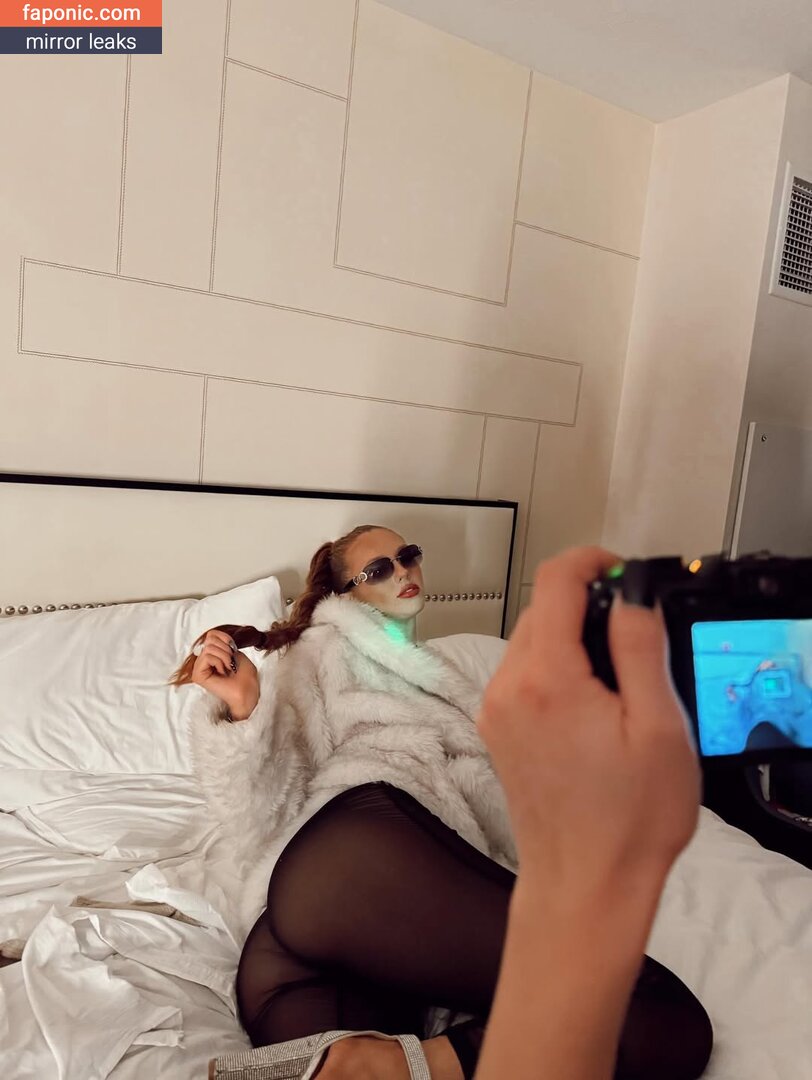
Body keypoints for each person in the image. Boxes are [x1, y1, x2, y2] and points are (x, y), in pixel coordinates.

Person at [171, 529, 712, 1080]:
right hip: (351, 863)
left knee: (651, 1030)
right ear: (345, 594)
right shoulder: (320, 650)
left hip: (298, 973)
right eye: (379, 569)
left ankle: (378, 1062)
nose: (403, 571)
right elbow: (259, 813)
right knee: (650, 1005)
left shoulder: (438, 676)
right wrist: (245, 710)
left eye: (408, 557)